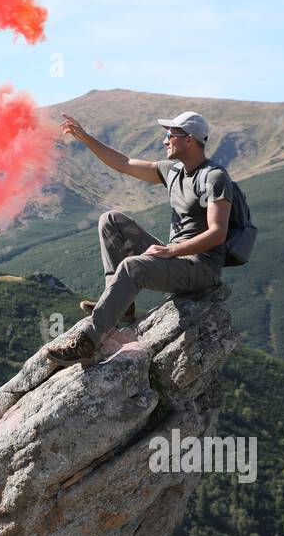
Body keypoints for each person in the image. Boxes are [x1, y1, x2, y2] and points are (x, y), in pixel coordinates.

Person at [46, 110, 231, 364]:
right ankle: (123, 306)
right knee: (111, 220)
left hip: (200, 268)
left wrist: (170, 251)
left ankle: (88, 340)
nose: (165, 140)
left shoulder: (214, 177)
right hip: (176, 257)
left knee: (132, 267)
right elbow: (124, 163)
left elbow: (217, 233)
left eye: (170, 135)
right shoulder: (173, 172)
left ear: (189, 139)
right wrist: (87, 138)